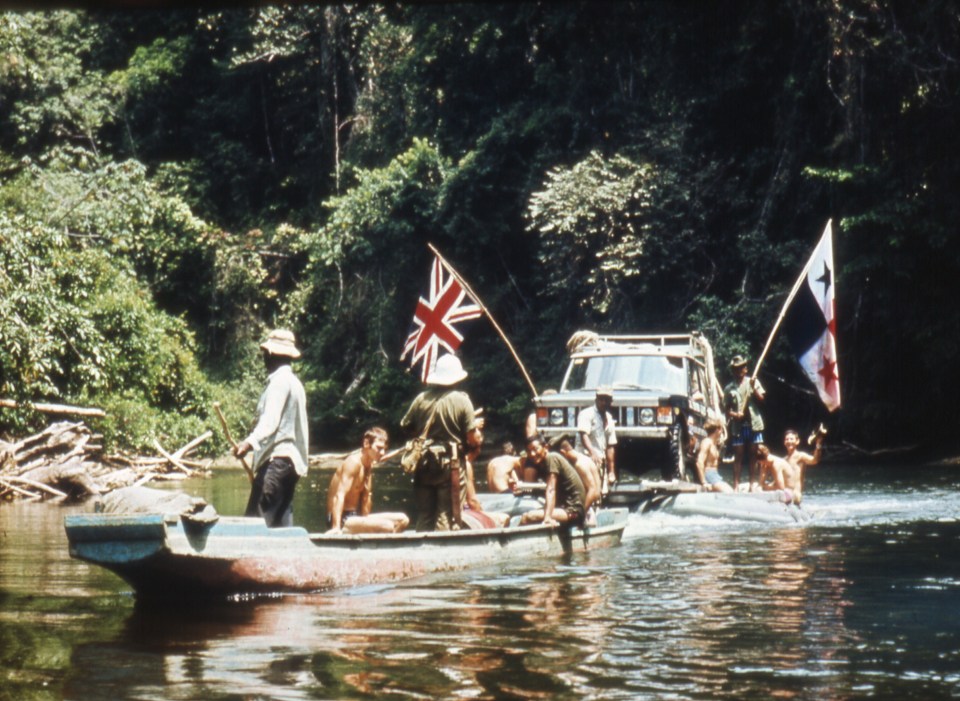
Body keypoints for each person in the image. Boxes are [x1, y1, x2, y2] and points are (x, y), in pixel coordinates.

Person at [235, 329, 309, 528]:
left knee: (253, 523)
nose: (263, 358)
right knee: (281, 523)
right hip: (290, 466)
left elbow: (270, 422)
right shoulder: (296, 384)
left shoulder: (279, 382)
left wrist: (248, 443)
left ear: (270, 354)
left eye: (264, 354)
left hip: (276, 463)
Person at [400, 354, 483, 531]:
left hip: (423, 464)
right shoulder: (462, 400)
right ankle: (441, 555)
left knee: (424, 514)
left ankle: (420, 553)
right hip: (450, 466)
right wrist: (476, 433)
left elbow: (406, 426)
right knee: (446, 514)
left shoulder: (421, 399)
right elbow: (472, 438)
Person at [326, 427, 409, 534]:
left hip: (356, 517)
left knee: (403, 520)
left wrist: (367, 522)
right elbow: (339, 495)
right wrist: (335, 528)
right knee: (387, 526)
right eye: (379, 448)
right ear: (366, 444)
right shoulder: (353, 463)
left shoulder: (368, 465)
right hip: (341, 519)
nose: (382, 452)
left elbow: (366, 497)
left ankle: (381, 547)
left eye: (384, 449)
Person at [519, 436, 586, 527]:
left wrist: (547, 517)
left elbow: (551, 489)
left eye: (535, 449)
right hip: (563, 508)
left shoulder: (551, 458)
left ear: (545, 447)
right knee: (526, 513)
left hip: (573, 512)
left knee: (528, 517)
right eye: (529, 451)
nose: (532, 454)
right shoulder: (542, 463)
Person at [723, 355, 765, 491]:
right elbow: (726, 409)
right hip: (738, 426)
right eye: (738, 368)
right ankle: (736, 486)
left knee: (753, 455)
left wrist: (754, 387)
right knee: (738, 455)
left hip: (754, 423)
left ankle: (752, 484)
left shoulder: (753, 382)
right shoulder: (729, 388)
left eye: (743, 367)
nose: (742, 370)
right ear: (734, 370)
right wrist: (735, 415)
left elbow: (762, 399)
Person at [576, 386, 618, 488]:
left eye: (606, 400)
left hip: (600, 461)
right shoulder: (586, 414)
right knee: (589, 489)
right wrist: (592, 452)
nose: (603, 402)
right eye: (601, 399)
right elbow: (583, 434)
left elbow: (610, 446)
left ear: (611, 401)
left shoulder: (609, 418)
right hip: (584, 459)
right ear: (596, 399)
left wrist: (611, 471)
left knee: (600, 491)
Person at [554, 437, 602, 518]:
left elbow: (593, 490)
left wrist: (581, 514)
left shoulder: (579, 465)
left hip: (588, 508)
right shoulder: (584, 458)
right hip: (592, 505)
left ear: (562, 453)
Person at [783, 427, 825, 504]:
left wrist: (818, 444)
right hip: (785, 492)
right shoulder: (784, 460)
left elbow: (814, 460)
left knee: (793, 496)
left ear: (797, 441)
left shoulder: (801, 456)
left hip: (796, 495)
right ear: (784, 442)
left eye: (791, 439)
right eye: (787, 439)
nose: (789, 441)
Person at [694, 419, 733, 493]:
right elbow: (699, 462)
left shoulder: (713, 443)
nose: (722, 432)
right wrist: (704, 482)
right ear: (717, 430)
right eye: (721, 429)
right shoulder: (707, 442)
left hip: (715, 475)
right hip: (709, 475)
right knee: (730, 492)